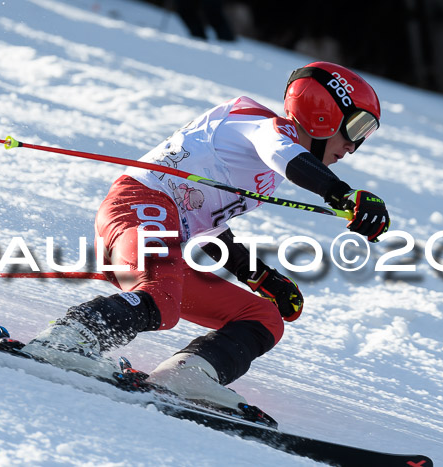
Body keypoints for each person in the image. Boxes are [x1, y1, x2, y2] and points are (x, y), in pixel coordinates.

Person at [22, 61, 390, 411]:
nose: (354, 147)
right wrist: (341, 195)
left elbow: (209, 225)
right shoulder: (259, 125)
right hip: (139, 206)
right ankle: (70, 338)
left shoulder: (266, 169)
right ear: (324, 114)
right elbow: (287, 155)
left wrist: (258, 275)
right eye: (356, 128)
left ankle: (189, 374)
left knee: (262, 317)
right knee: (161, 297)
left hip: (165, 236)